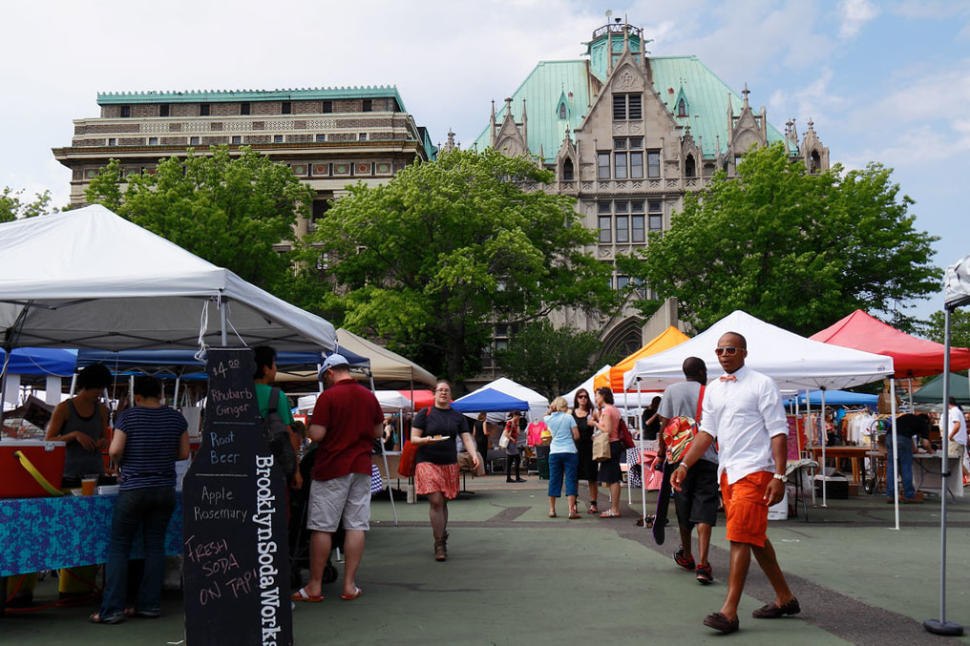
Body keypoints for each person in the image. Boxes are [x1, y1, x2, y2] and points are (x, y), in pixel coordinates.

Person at [672, 332, 798, 634]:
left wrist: (779, 476)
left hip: (756, 472)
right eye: (719, 350)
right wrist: (685, 463)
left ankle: (729, 612)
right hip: (727, 473)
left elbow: (778, 432)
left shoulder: (762, 384)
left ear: (743, 352)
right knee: (754, 535)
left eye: (730, 349)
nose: (724, 354)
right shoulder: (714, 389)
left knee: (740, 536)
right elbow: (706, 433)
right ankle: (785, 598)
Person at [90, 376, 189, 624]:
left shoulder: (129, 416)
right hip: (165, 488)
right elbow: (185, 453)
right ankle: (149, 605)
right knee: (155, 545)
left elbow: (114, 450)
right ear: (161, 394)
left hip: (134, 488)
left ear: (137, 396)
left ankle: (112, 609)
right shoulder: (176, 418)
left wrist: (123, 461)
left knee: (119, 546)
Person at [293, 354, 383, 603]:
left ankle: (314, 586)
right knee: (356, 525)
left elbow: (318, 434)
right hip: (361, 466)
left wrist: (311, 427)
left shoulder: (328, 397)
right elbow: (377, 430)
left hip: (332, 466)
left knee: (322, 526)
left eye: (325, 377)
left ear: (330, 372)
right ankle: (349, 585)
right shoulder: (368, 396)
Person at [46, 363, 113, 603]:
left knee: (89, 532)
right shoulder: (65, 408)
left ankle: (82, 586)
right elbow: (49, 440)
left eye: (101, 389)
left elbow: (105, 435)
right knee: (68, 532)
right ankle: (68, 586)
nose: (99, 393)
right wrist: (73, 436)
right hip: (68, 476)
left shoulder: (102, 410)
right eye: (96, 388)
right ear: (85, 386)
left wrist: (104, 442)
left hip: (94, 475)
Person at [656, 356, 717, 585]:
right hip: (707, 456)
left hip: (679, 458)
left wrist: (662, 453)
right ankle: (704, 563)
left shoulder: (671, 390)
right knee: (705, 505)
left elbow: (664, 426)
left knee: (683, 504)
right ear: (701, 371)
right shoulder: (709, 391)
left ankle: (687, 555)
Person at [411, 380, 481, 561]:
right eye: (440, 390)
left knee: (444, 501)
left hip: (449, 463)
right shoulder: (424, 414)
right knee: (435, 500)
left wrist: (474, 455)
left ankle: (441, 537)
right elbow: (413, 439)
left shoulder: (457, 416)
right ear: (434, 394)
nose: (443, 393)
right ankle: (439, 542)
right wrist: (427, 440)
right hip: (427, 461)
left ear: (450, 395)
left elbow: (466, 438)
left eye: (446, 390)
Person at [253, 346, 302, 491]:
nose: (276, 368)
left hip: (243, 464)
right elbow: (289, 435)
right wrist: (296, 471)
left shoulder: (237, 394)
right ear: (265, 368)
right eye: (274, 364)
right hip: (272, 467)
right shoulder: (276, 396)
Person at [545, 397, 580, 518]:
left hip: (554, 451)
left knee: (554, 479)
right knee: (570, 479)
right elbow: (576, 435)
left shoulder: (548, 419)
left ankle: (552, 510)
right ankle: (571, 510)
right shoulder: (569, 417)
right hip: (569, 450)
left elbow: (545, 415)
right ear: (564, 406)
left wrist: (550, 410)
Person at [886, 413, 929, 503]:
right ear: (926, 421)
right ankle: (909, 495)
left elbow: (908, 437)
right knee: (906, 467)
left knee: (892, 467)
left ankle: (891, 495)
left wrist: (914, 449)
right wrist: (931, 450)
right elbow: (925, 443)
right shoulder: (923, 423)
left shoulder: (908, 418)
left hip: (889, 436)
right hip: (902, 438)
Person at [594, 386, 623, 518]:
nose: (596, 398)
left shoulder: (607, 411)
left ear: (603, 396)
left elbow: (607, 430)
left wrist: (595, 424)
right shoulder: (615, 410)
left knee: (613, 478)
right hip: (616, 443)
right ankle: (614, 507)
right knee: (614, 476)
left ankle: (615, 508)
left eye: (597, 395)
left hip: (610, 444)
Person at [571, 389, 599, 513]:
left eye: (585, 397)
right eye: (580, 397)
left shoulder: (592, 413)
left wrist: (596, 434)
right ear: (576, 399)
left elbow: (603, 426)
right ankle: (574, 503)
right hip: (575, 448)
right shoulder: (571, 413)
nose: (583, 399)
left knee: (592, 477)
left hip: (589, 447)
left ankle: (593, 503)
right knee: (575, 477)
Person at [948, 398, 968, 482]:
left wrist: (950, 436)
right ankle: (967, 477)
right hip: (959, 440)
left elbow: (957, 425)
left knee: (954, 463)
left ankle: (965, 477)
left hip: (955, 440)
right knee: (957, 463)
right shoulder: (958, 411)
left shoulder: (954, 411)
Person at [503, 411, 526, 483]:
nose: (519, 417)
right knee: (517, 459)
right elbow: (506, 433)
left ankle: (509, 478)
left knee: (510, 461)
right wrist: (512, 439)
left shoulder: (515, 423)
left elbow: (518, 432)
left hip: (513, 444)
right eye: (518, 416)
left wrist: (518, 424)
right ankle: (517, 477)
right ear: (515, 415)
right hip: (511, 444)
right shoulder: (509, 422)